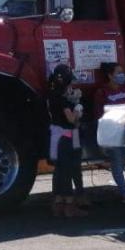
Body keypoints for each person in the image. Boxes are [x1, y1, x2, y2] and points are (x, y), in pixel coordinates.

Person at [94, 62, 125, 204]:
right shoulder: (101, 92)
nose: (122, 75)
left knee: (120, 161)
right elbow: (99, 116)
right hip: (112, 133)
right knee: (116, 161)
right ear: (110, 75)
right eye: (118, 73)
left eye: (122, 72)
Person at [48, 65, 87, 217]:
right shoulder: (62, 98)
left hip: (55, 136)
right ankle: (70, 204)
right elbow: (71, 119)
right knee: (69, 169)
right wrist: (77, 109)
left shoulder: (51, 94)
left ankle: (58, 203)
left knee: (59, 170)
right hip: (67, 137)